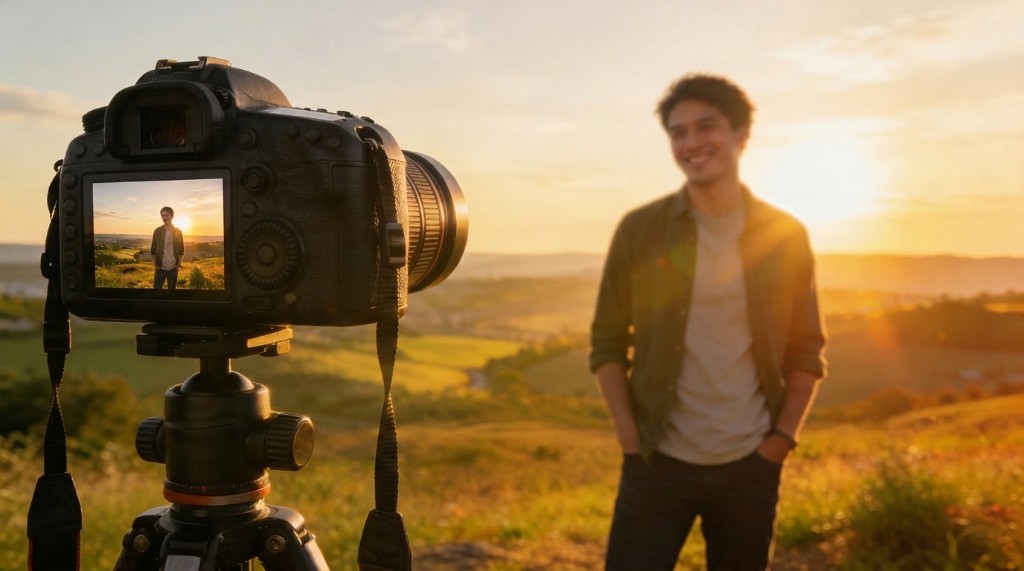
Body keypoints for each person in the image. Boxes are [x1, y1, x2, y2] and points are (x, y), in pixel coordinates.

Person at [590, 74, 827, 570]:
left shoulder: (786, 235)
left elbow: (805, 348)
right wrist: (631, 440)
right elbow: (608, 341)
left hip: (750, 467)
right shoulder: (641, 229)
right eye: (678, 132)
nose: (691, 143)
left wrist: (780, 442)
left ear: (741, 134)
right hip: (656, 464)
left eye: (706, 127)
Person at [151, 206, 184, 290]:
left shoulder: (178, 232)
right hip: (160, 268)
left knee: (172, 291)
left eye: (167, 215)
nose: (164, 217)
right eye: (163, 215)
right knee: (157, 290)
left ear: (172, 216)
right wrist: (155, 264)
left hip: (173, 268)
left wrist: (178, 265)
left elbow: (181, 250)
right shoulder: (157, 231)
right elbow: (152, 250)